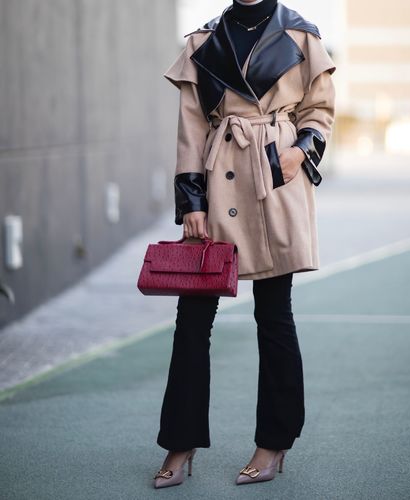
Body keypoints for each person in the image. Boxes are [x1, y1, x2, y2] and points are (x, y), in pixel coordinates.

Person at [153, 0, 336, 488]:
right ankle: (180, 442)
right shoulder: (203, 41)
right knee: (192, 319)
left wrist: (297, 155)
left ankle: (273, 444)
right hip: (217, 186)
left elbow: (319, 110)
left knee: (274, 315)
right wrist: (191, 201)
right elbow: (191, 126)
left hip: (275, 184)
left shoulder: (300, 34)